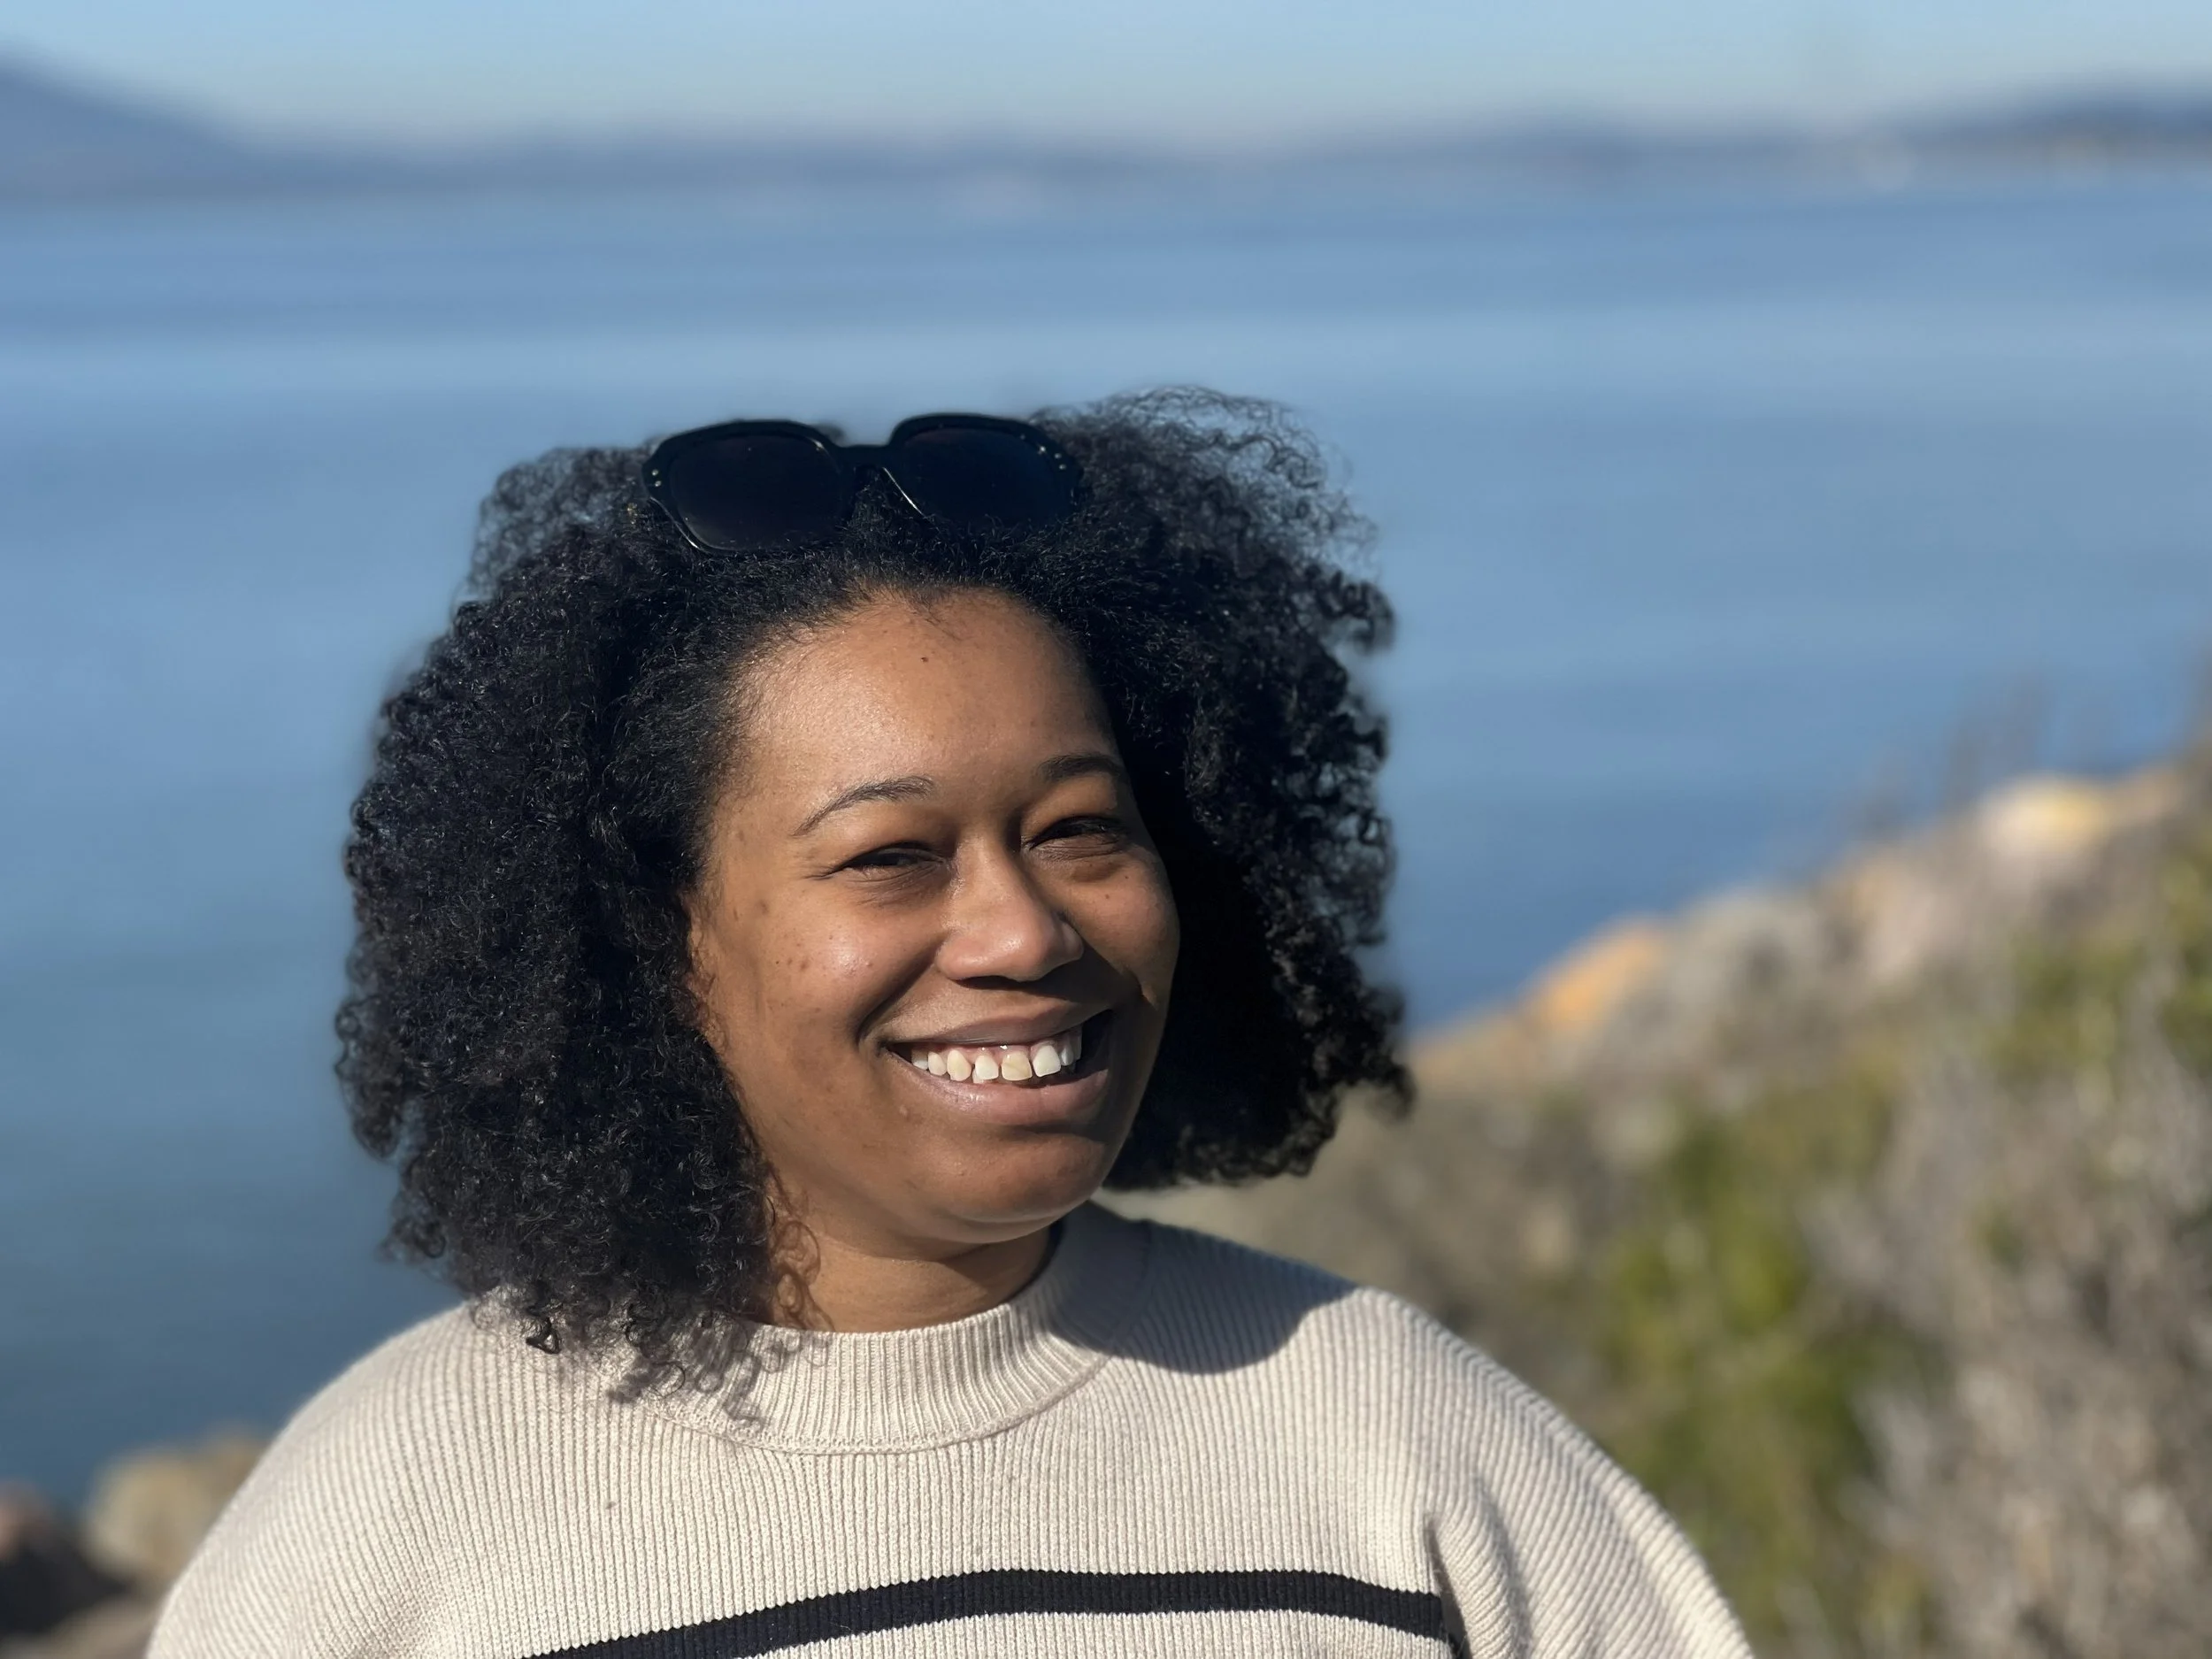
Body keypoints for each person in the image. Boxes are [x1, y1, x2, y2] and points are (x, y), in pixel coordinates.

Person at [150, 391, 1749, 1657]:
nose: (1023, 930)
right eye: (891, 856)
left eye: (1078, 828)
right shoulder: (390, 1529)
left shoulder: (1394, 1439)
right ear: (666, 942)